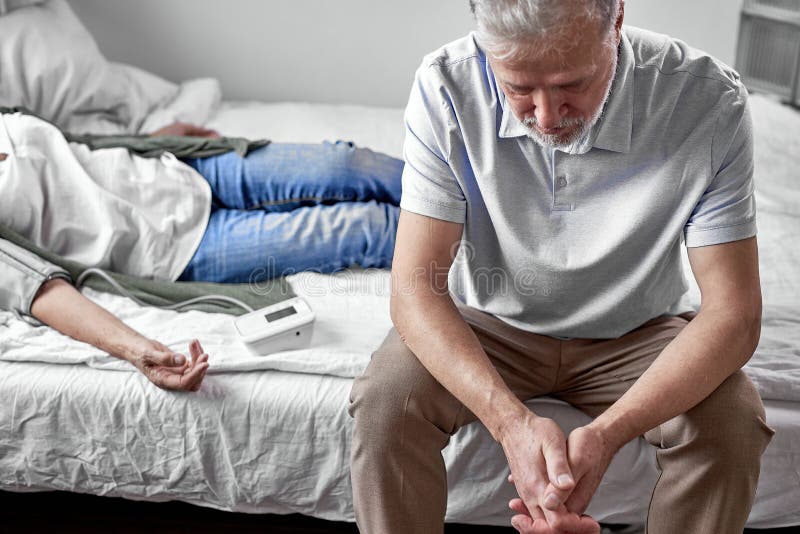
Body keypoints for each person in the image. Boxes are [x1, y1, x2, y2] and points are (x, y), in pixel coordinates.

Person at [348, 1, 773, 533]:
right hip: (491, 325)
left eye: (573, 83)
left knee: (732, 422)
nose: (546, 117)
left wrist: (608, 433)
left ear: (615, 22)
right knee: (387, 400)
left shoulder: (709, 99)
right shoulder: (444, 87)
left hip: (636, 332)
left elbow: (734, 314)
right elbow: (415, 289)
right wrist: (510, 425)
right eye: (518, 89)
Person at [0, 112, 403, 392]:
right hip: (179, 246)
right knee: (365, 227)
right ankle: (466, 242)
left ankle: (466, 185)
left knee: (347, 164)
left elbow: (68, 154)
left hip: (180, 167)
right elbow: (41, 291)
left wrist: (154, 139)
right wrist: (139, 351)